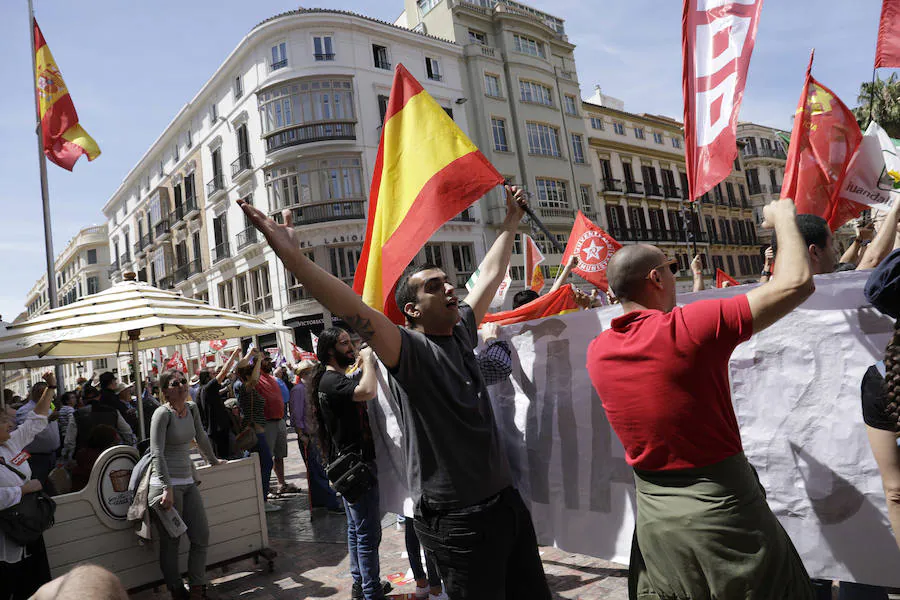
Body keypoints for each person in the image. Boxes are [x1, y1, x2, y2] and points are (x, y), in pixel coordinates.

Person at [238, 183, 552, 599]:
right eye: (434, 286)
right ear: (412, 310)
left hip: (505, 506)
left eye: (448, 281)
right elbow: (353, 307)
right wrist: (295, 259)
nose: (450, 288)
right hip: (458, 523)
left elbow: (491, 276)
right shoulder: (409, 349)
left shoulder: (461, 332)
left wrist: (510, 221)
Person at [586, 197, 816, 598]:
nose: (676, 278)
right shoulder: (687, 327)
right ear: (656, 278)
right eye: (672, 270)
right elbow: (797, 283)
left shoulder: (598, 350)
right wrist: (783, 217)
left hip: (658, 526)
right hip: (722, 518)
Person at [312, 328, 388, 600]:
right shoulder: (331, 381)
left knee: (357, 530)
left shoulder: (331, 379)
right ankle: (371, 591)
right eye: (345, 343)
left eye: (351, 342)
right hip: (355, 468)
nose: (352, 347)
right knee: (368, 533)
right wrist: (367, 359)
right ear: (331, 350)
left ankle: (361, 584)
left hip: (349, 466)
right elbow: (367, 390)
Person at [149, 368, 223, 600]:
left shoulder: (191, 408)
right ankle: (177, 591)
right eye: (174, 383)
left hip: (188, 481)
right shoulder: (162, 414)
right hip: (166, 485)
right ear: (165, 392)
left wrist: (213, 460)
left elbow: (200, 436)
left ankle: (198, 589)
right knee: (172, 542)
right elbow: (156, 452)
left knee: (201, 536)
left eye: (183, 381)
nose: (181, 385)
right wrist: (166, 487)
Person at [0, 371, 56, 599]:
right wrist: (23, 489)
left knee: (31, 587)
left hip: (27, 530)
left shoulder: (10, 444)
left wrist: (50, 388)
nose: (11, 423)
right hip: (5, 540)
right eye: (4, 420)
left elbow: (36, 420)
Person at [288, 360, 342, 513]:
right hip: (308, 435)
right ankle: (331, 502)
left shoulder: (311, 388)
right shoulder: (298, 390)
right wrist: (301, 434)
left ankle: (320, 500)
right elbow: (296, 415)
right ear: (306, 373)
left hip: (317, 433)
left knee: (317, 469)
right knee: (318, 469)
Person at [235, 349, 278, 512]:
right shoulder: (243, 386)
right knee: (267, 462)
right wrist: (257, 359)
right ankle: (263, 500)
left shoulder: (246, 386)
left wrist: (252, 357)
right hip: (255, 432)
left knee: (254, 465)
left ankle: (256, 496)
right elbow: (246, 372)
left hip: (256, 431)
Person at [62, 384, 135, 465]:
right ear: (99, 397)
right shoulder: (112, 411)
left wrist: (69, 459)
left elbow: (69, 442)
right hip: (110, 457)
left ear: (82, 400)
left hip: (86, 459)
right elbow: (127, 431)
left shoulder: (77, 415)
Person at [255, 354, 297, 498]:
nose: (269, 363)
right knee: (268, 458)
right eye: (265, 361)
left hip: (279, 420)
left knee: (279, 455)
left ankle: (281, 483)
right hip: (267, 423)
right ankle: (265, 491)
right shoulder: (256, 379)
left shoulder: (272, 378)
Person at [15, 381, 60, 490]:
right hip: (36, 457)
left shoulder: (49, 408)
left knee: (52, 487)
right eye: (44, 393)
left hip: (52, 455)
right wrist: (48, 419)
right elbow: (28, 429)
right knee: (39, 487)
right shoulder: (24, 410)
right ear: (35, 393)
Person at [201, 348, 240, 460]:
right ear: (207, 378)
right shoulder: (208, 388)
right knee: (226, 459)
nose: (215, 375)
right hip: (218, 432)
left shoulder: (207, 390)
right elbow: (224, 371)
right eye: (213, 374)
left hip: (221, 429)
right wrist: (233, 355)